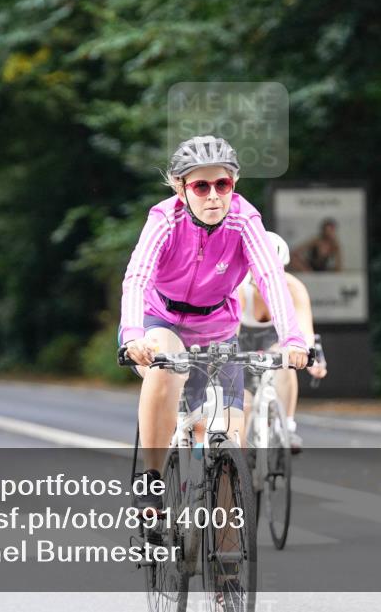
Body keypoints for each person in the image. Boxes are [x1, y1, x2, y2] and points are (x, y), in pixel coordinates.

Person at [119, 135, 310, 515]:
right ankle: (152, 479)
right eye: (200, 186)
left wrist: (292, 338)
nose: (212, 196)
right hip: (161, 318)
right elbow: (136, 277)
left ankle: (225, 561)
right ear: (180, 188)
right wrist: (132, 335)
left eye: (221, 184)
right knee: (165, 367)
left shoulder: (244, 219)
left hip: (217, 328)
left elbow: (271, 278)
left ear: (233, 185)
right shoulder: (164, 219)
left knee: (231, 442)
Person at [237, 232, 327, 453]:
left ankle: (286, 426)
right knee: (243, 406)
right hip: (242, 341)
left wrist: (313, 357)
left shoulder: (294, 288)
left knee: (286, 360)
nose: (264, 281)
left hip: (276, 340)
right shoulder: (239, 288)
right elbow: (230, 331)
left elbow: (305, 329)